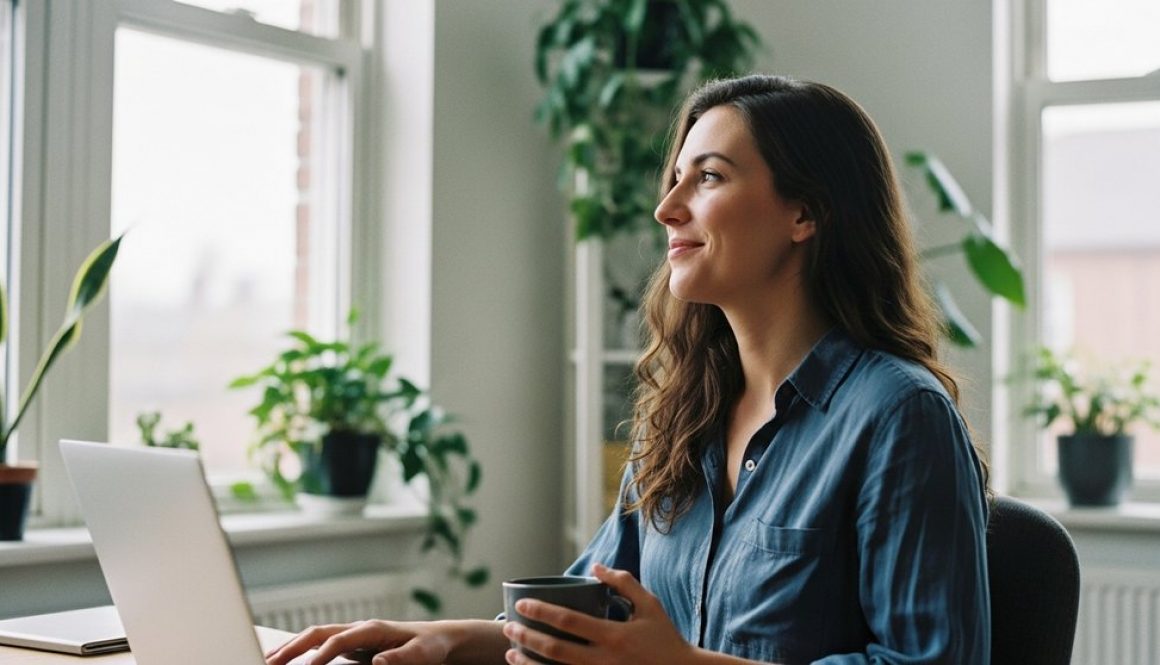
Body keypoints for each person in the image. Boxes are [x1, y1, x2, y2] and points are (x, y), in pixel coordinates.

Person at [265, 74, 991, 665]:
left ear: (805, 213)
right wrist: (445, 638)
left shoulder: (899, 415)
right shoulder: (686, 411)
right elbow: (594, 611)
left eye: (707, 178)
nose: (665, 207)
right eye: (675, 179)